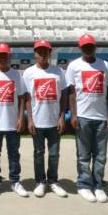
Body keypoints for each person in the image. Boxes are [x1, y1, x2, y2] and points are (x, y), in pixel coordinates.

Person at [66, 34, 108, 203]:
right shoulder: (74, 66)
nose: (88, 49)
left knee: (101, 155)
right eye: (84, 46)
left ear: (95, 47)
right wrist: (73, 115)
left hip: (101, 118)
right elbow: (71, 94)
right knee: (83, 154)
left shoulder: (105, 66)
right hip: (82, 117)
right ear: (80, 48)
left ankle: (98, 185)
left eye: (90, 46)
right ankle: (84, 185)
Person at [23, 39, 68, 198]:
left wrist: (62, 117)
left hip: (54, 121)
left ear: (50, 53)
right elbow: (27, 98)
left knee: (54, 154)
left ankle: (53, 181)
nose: (43, 54)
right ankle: (40, 182)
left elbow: (64, 97)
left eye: (46, 52)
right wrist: (29, 119)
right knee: (38, 153)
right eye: (39, 52)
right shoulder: (28, 73)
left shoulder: (59, 72)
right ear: (35, 54)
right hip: (37, 121)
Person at [0, 43, 28, 198]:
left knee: (14, 154)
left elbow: (22, 98)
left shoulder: (16, 75)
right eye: (0, 55)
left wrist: (20, 118)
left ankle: (15, 181)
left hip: (12, 122)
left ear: (10, 57)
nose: (3, 58)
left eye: (5, 55)